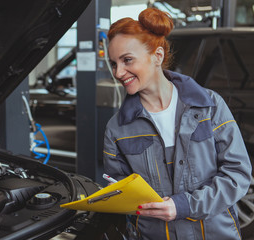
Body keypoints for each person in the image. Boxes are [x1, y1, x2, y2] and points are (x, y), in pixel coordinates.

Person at [103, 7, 252, 240]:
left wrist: (184, 205)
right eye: (113, 63)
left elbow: (238, 174)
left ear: (157, 56)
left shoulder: (209, 107)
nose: (119, 72)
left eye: (127, 60)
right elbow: (121, 193)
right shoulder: (117, 128)